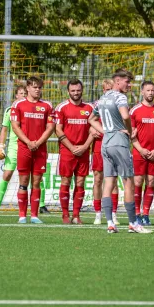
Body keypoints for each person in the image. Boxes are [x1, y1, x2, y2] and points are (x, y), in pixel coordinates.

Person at [89, 69, 151, 234]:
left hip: (106, 144)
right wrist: (129, 131)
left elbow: (91, 119)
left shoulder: (102, 98)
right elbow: (125, 116)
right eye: (127, 81)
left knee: (108, 183)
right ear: (117, 80)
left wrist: (105, 132)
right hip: (119, 143)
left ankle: (110, 223)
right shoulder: (120, 97)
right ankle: (133, 224)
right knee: (128, 183)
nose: (129, 85)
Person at [10, 76, 55, 224]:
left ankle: (34, 215)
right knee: (23, 181)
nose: (37, 90)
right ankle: (22, 215)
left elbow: (50, 127)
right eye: (34, 87)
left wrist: (38, 142)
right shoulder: (18, 105)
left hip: (40, 149)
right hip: (24, 148)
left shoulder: (47, 106)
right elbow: (15, 126)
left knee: (37, 182)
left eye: (39, 87)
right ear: (28, 88)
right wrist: (29, 142)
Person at [54, 79, 95, 224]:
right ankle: (65, 215)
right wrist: (71, 147)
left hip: (84, 150)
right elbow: (57, 130)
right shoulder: (61, 108)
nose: (76, 93)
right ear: (68, 91)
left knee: (80, 182)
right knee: (65, 180)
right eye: (73, 91)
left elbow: (94, 129)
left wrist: (84, 146)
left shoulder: (90, 108)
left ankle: (76, 215)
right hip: (67, 150)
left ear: (82, 90)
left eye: (78, 90)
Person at [130, 81, 154, 226]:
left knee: (151, 182)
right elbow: (131, 134)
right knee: (138, 182)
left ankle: (146, 214)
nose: (151, 93)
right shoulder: (135, 111)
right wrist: (140, 149)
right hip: (140, 152)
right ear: (142, 92)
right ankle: (137, 214)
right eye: (148, 90)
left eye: (152, 90)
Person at [91, 79, 121, 225]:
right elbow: (90, 122)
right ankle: (98, 213)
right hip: (99, 145)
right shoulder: (98, 104)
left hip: (114, 144)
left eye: (111, 89)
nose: (108, 92)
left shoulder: (119, 103)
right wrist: (94, 129)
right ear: (103, 90)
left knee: (113, 180)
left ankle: (114, 213)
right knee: (97, 179)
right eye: (106, 89)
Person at [0, 85, 26, 213]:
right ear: (16, 95)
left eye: (25, 93)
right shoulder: (9, 111)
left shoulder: (31, 110)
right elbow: (4, 129)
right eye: (21, 93)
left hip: (28, 148)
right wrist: (1, 146)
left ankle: (42, 205)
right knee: (7, 175)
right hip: (13, 148)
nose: (23, 95)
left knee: (36, 177)